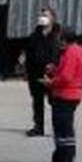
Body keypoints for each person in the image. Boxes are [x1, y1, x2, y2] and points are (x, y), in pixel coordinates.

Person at [46, 28, 82, 162]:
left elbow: (66, 77)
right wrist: (54, 70)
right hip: (73, 94)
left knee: (62, 130)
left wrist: (51, 82)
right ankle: (59, 160)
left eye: (60, 39)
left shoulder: (71, 52)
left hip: (65, 94)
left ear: (64, 39)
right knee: (65, 129)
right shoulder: (81, 51)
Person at [23, 7, 62, 136]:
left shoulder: (58, 35)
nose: (42, 17)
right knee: (37, 101)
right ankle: (38, 126)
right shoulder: (34, 35)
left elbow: (62, 55)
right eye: (42, 15)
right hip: (35, 73)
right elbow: (28, 53)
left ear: (52, 18)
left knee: (55, 102)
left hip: (52, 74)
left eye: (46, 15)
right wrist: (27, 70)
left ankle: (58, 128)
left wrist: (56, 67)